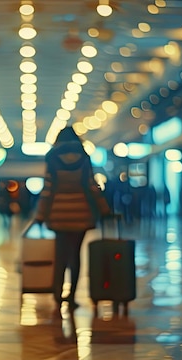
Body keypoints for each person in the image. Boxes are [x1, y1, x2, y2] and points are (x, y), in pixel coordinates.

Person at [34, 126, 111, 310]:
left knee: (60, 255)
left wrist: (40, 215)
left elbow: (48, 188)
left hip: (58, 214)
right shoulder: (84, 157)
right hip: (81, 213)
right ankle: (72, 296)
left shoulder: (52, 157)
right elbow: (92, 186)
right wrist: (104, 209)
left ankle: (57, 293)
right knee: (75, 255)